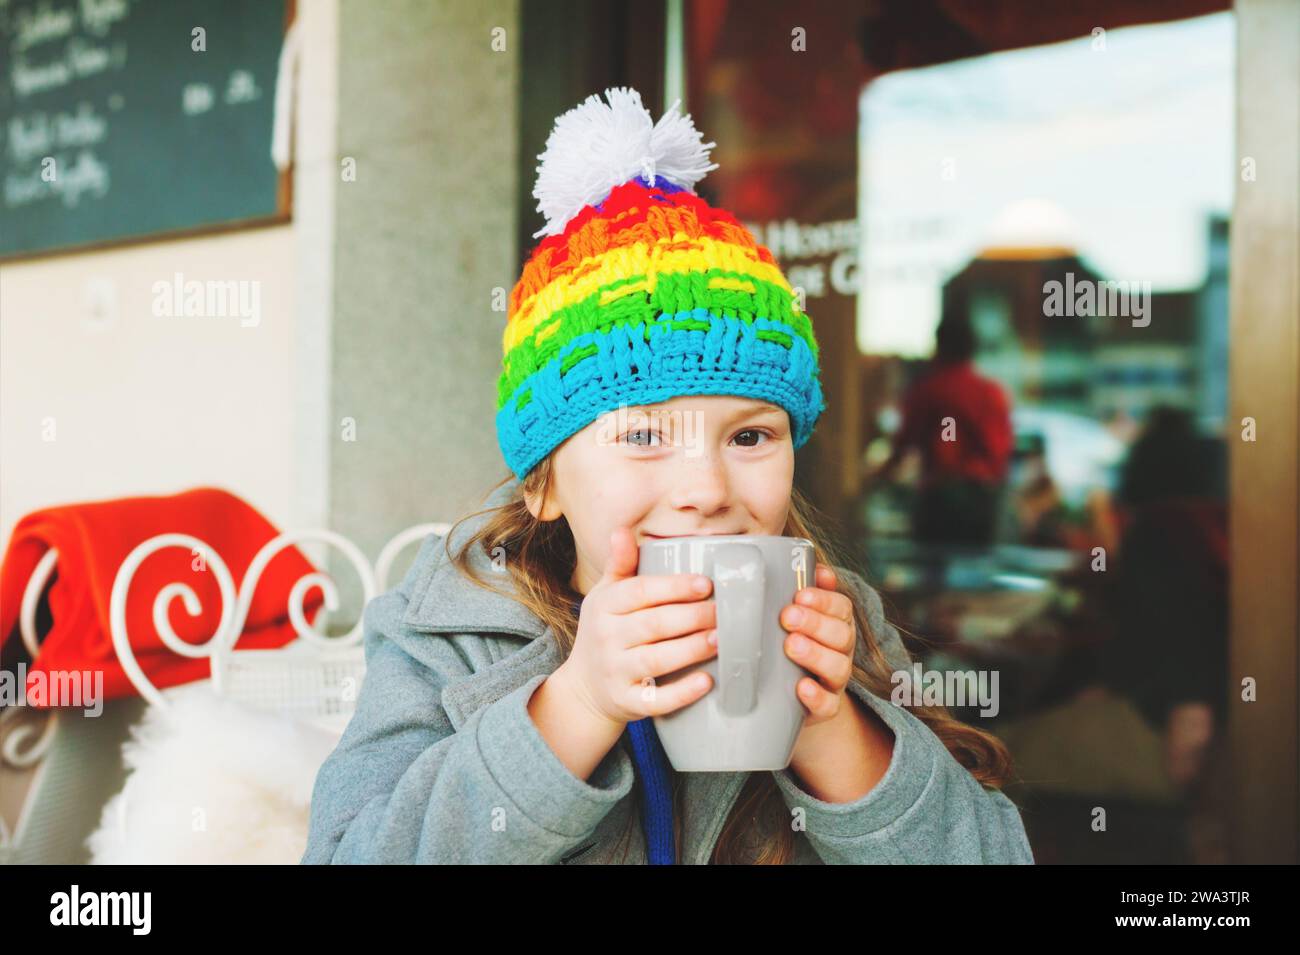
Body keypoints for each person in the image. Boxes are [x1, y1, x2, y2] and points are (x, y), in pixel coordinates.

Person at [301, 88, 1033, 865]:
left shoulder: (836, 623)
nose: (708, 488)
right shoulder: (448, 633)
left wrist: (832, 729)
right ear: (543, 484)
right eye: (645, 433)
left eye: (750, 434)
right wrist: (576, 705)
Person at [867, 311, 1014, 547]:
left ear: (941, 346)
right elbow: (1000, 454)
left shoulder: (929, 391)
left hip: (938, 500)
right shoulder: (990, 393)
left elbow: (903, 446)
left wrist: (875, 480)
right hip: (981, 501)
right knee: (978, 574)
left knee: (931, 572)